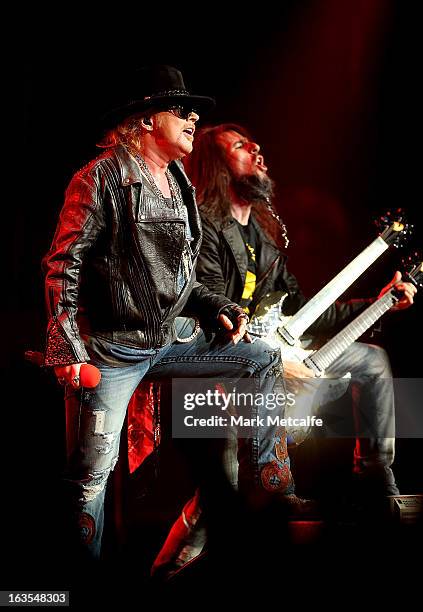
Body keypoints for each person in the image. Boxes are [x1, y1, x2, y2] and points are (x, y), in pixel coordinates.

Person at [42, 70, 294, 561]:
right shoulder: (100, 177)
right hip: (113, 351)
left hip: (170, 337)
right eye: (180, 110)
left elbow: (179, 280)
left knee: (261, 358)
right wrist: (67, 348)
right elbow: (61, 265)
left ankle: (270, 482)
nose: (193, 117)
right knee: (91, 475)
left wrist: (215, 304)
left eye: (192, 111)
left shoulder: (179, 182)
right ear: (144, 120)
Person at [151, 122, 416, 577]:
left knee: (372, 360)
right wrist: (265, 352)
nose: (256, 148)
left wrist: (377, 304)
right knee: (221, 493)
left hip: (276, 362)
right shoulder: (204, 232)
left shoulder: (267, 238)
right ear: (216, 166)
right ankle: (165, 573)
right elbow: (200, 312)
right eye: (240, 145)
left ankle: (379, 481)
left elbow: (302, 315)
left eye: (255, 142)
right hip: (226, 371)